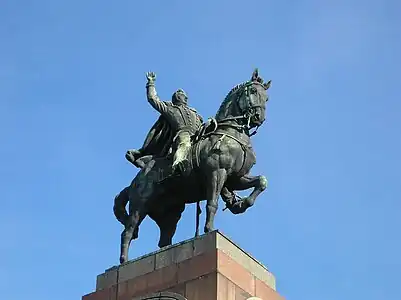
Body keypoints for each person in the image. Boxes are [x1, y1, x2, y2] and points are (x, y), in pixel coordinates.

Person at [126, 72, 203, 175]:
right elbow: (153, 99)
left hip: (199, 137)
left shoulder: (195, 113)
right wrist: (151, 83)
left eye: (182, 94)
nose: (181, 93)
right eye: (179, 93)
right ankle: (178, 163)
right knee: (184, 141)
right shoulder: (170, 109)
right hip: (182, 134)